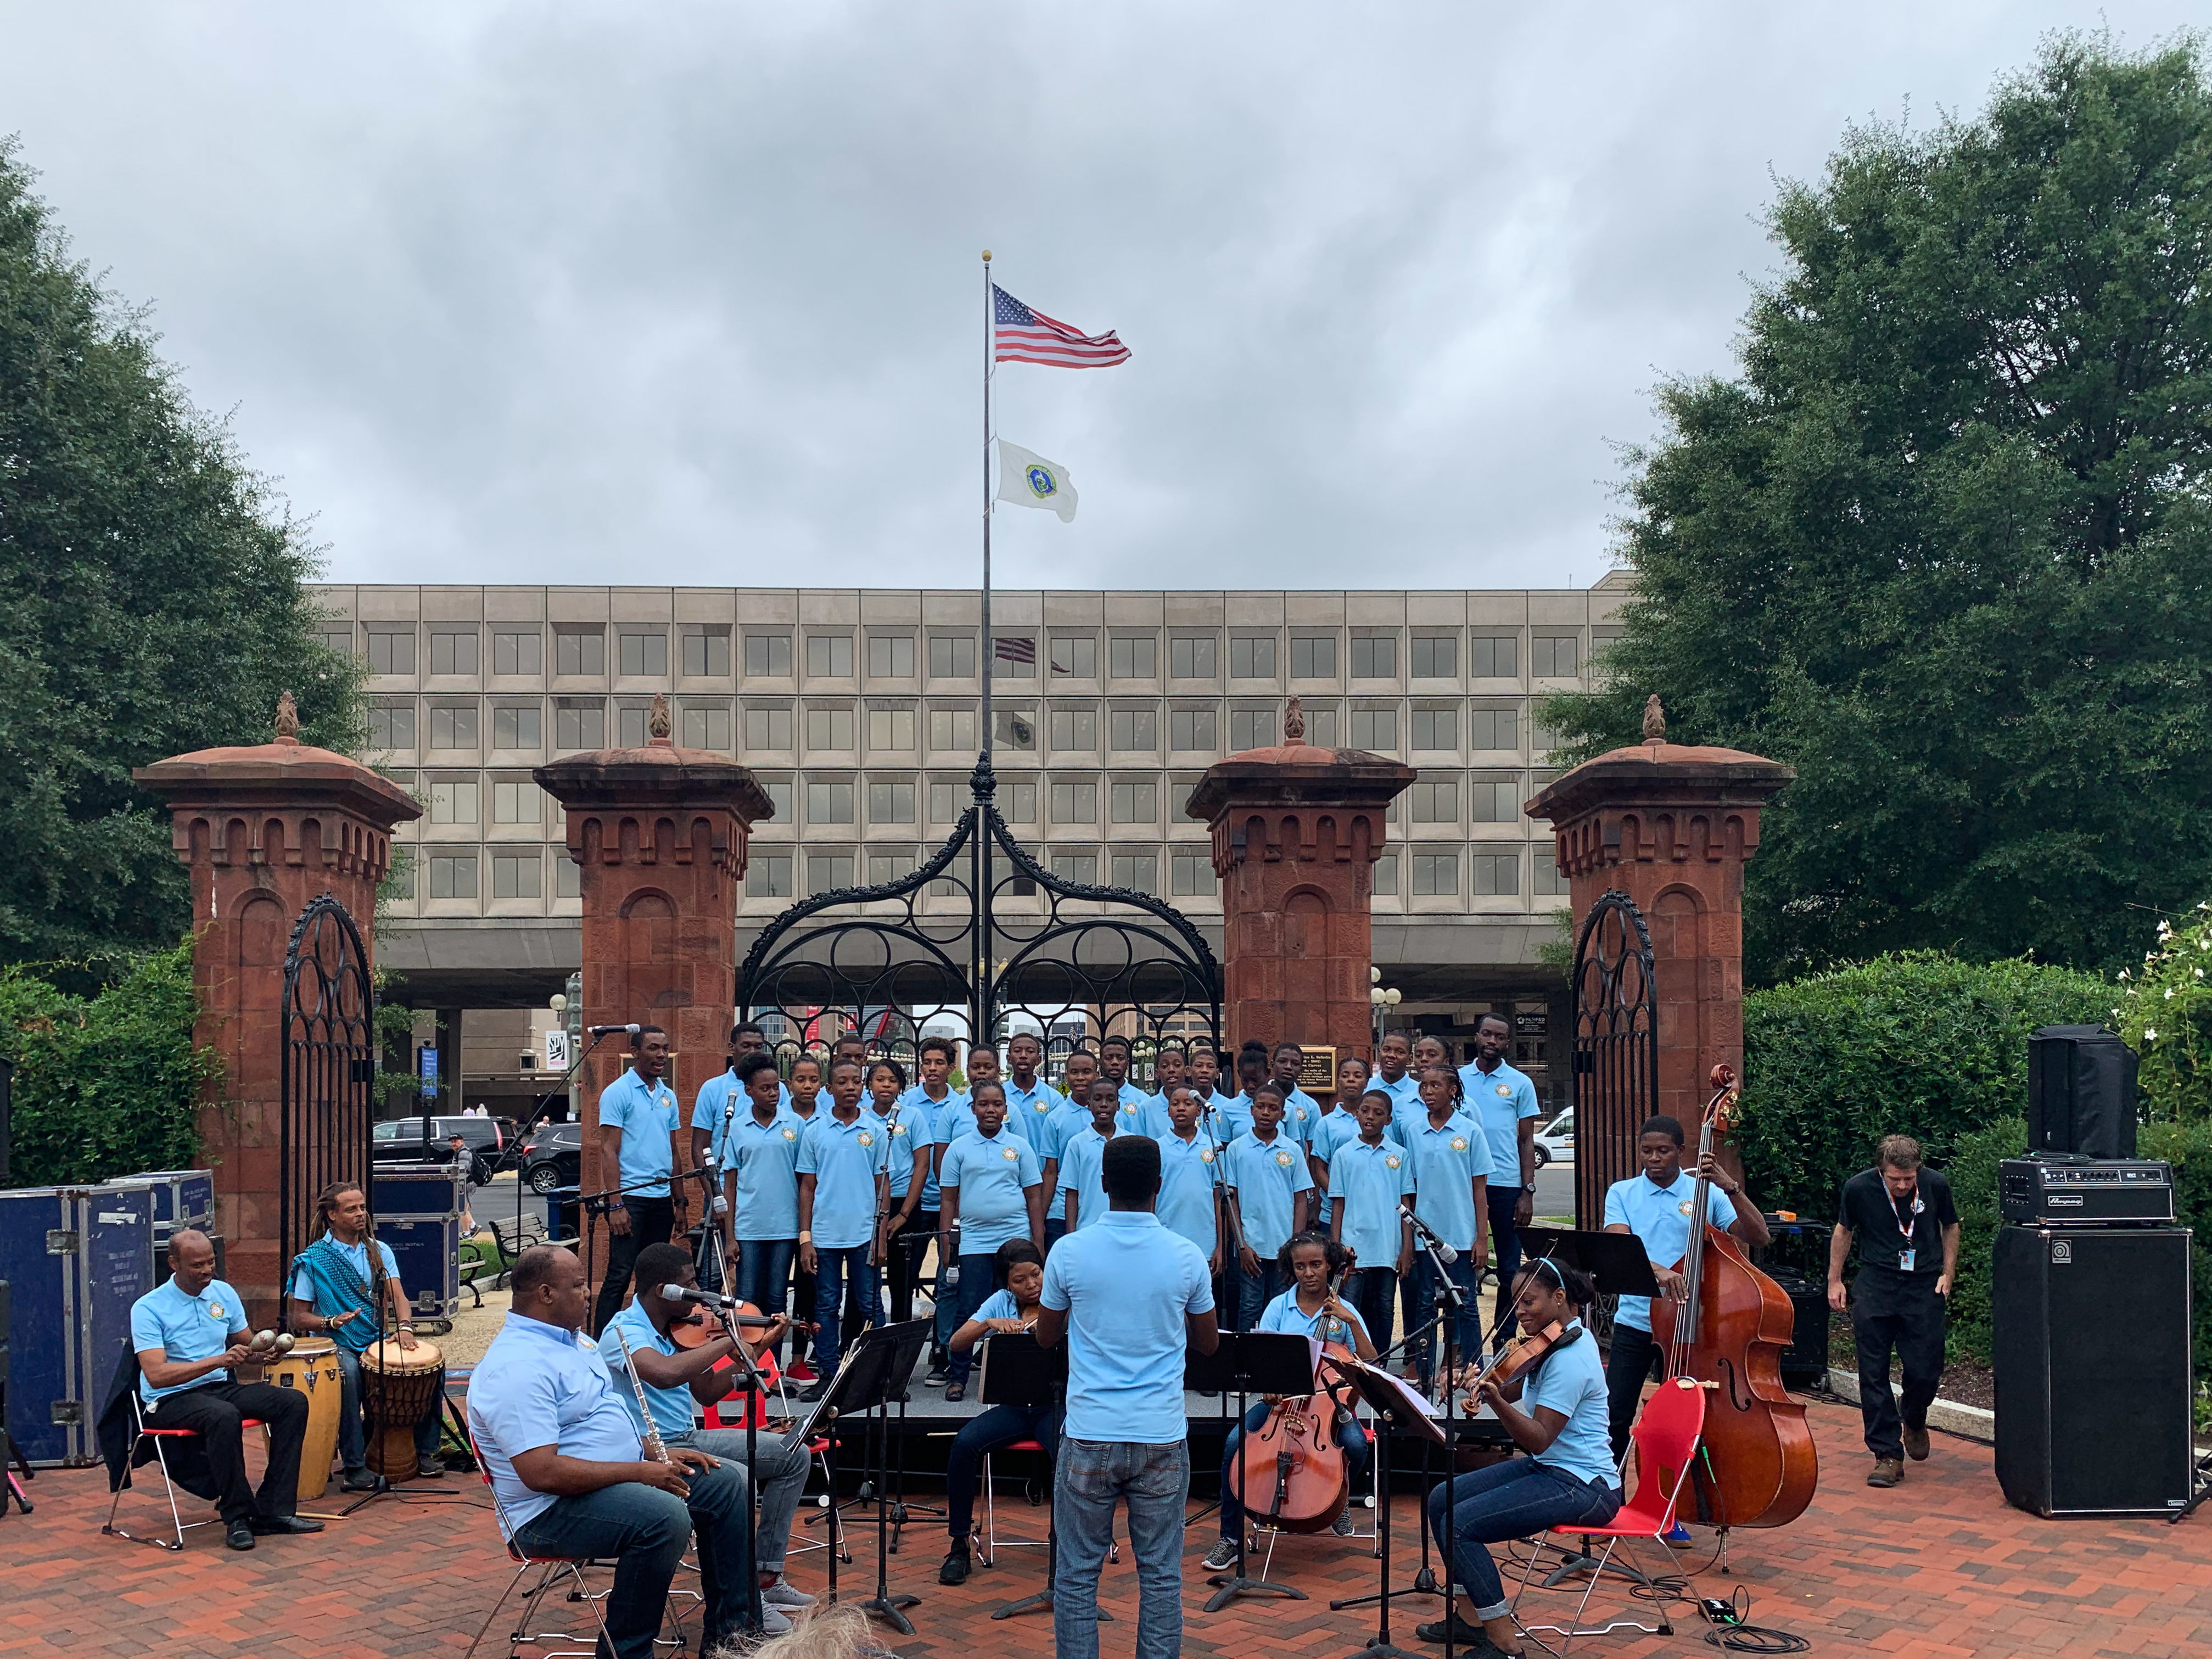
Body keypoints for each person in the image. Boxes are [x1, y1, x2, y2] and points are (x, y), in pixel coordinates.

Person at [468, 1246, 756, 1658]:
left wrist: (656, 1453)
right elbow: (542, 1473)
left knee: (726, 1483)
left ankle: (732, 1639)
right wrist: (637, 1472)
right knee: (662, 1517)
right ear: (546, 1294)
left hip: (605, 1481)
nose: (589, 1294)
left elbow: (602, 1428)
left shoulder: (575, 1343)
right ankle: (627, 1651)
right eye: (579, 1285)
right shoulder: (517, 1367)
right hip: (546, 1511)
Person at [1037, 1136, 1220, 1659]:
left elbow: (1046, 1337)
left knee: (1075, 1575)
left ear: (1102, 1184)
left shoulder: (1068, 1251)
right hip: (1160, 1434)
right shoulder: (1185, 1256)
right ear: (1159, 1187)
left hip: (1091, 1432)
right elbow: (1207, 1344)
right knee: (1160, 1576)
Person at [597, 1243, 815, 1634]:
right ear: (665, 1290)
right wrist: (727, 1339)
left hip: (690, 1438)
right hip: (653, 1451)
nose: (698, 1292)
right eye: (690, 1285)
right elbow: (663, 1374)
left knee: (792, 1455)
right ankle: (748, 1602)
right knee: (735, 1482)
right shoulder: (623, 1332)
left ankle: (765, 1575)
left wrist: (761, 1344)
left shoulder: (678, 1333)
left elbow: (708, 1391)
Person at [1418, 1260, 1621, 1653]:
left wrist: (1495, 1401)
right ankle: (1470, 1621)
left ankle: (1505, 1646)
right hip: (1552, 1469)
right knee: (1441, 1499)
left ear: (1560, 1297)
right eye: (1515, 1303)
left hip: (1585, 1484)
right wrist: (1474, 1381)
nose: (1520, 1312)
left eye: (1528, 1302)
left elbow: (1540, 1438)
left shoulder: (1570, 1357)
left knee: (1461, 1525)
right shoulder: (1551, 1342)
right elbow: (1513, 1389)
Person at [130, 1229, 320, 1551]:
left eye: (211, 1262)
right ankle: (238, 1516)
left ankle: (274, 1509)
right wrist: (219, 1359)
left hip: (217, 1387)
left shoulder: (222, 1293)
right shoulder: (148, 1308)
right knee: (223, 1416)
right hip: (169, 1399)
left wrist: (266, 1352)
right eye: (197, 1265)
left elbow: (245, 1342)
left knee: (292, 1402)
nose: (207, 1271)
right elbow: (157, 1374)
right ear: (174, 1263)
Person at [1202, 1232, 1377, 1570]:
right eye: (1300, 1267)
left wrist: (1350, 1321)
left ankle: (1337, 1500)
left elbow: (1371, 1365)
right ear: (1291, 1269)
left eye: (1316, 1265)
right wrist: (1268, 1385)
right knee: (1234, 1444)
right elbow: (1262, 1358)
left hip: (1330, 1407)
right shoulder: (1279, 1307)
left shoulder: (1346, 1310)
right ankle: (1231, 1537)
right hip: (1279, 1406)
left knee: (1356, 1445)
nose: (1309, 1273)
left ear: (1330, 1266)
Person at [1601, 1115, 1771, 1461]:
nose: (1654, 1158)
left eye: (1663, 1151)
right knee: (1615, 1413)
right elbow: (1619, 1247)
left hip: (1691, 1325)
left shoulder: (1705, 1192)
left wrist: (1731, 1188)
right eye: (1647, 1151)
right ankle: (1607, 1487)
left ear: (1681, 1151)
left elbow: (1759, 1236)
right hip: (1636, 1320)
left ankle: (1684, 1489)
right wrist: (1660, 1271)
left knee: (1687, 1416)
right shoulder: (1622, 1192)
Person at [289, 1180, 444, 1489]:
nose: (361, 1214)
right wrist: (332, 1322)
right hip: (338, 1342)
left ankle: (425, 1451)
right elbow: (298, 1316)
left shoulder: (379, 1251)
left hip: (375, 1337)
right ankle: (355, 1465)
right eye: (352, 1209)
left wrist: (405, 1328)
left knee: (431, 1368)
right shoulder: (313, 1260)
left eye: (362, 1207)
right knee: (348, 1374)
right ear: (332, 1215)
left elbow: (398, 1296)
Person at [1828, 1134, 1959, 1487]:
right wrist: (1835, 1280)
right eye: (1895, 1178)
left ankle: (1914, 1416)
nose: (1902, 1185)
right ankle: (1886, 1453)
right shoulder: (1858, 1189)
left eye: (1909, 1178)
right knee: (1873, 1371)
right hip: (1876, 1282)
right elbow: (1844, 1230)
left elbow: (1950, 1226)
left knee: (1926, 1368)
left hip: (1924, 1284)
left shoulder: (1936, 1185)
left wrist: (1948, 1273)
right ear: (1880, 1170)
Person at [938, 1239, 1056, 1585]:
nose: (1031, 1284)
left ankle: (1070, 1543)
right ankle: (959, 1545)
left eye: (1036, 1274)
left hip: (1055, 1406)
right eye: (1020, 1280)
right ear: (1007, 1284)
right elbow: (956, 1343)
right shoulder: (1002, 1302)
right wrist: (989, 1323)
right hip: (1016, 1408)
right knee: (964, 1444)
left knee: (1070, 1453)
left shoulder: (1060, 1298)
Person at [937, 1080, 1046, 1399]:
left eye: (997, 1104)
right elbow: (948, 1201)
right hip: (973, 1240)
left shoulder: (1020, 1147)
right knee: (970, 1307)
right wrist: (948, 1245)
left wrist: (1038, 1243)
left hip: (1015, 1238)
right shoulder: (959, 1148)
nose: (991, 1110)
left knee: (1021, 1303)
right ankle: (958, 1376)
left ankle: (1016, 1372)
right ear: (973, 1109)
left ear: (1006, 1110)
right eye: (984, 1104)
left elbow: (1034, 1198)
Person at [795, 1058, 891, 1390]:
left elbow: (883, 1185)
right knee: (826, 1304)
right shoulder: (815, 1131)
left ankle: (876, 1375)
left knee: (870, 1304)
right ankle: (828, 1375)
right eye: (842, 1083)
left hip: (865, 1233)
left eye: (856, 1082)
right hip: (825, 1235)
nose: (850, 1088)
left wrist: (881, 1234)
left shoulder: (875, 1131)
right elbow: (807, 1187)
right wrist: (805, 1238)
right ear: (829, 1089)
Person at [595, 1025, 685, 1334]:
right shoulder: (617, 1093)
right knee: (620, 1274)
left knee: (656, 1279)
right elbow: (608, 1150)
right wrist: (615, 1202)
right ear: (635, 1052)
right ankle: (600, 1344)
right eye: (653, 1048)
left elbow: (673, 1150)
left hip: (661, 1200)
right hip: (631, 1198)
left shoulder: (667, 1095)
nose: (661, 1055)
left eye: (665, 1048)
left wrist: (680, 1202)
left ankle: (650, 1340)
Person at [1405, 1064, 1492, 1383]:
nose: (1428, 1092)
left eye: (1435, 1086)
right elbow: (1409, 1188)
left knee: (1466, 1304)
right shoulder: (1414, 1132)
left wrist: (1481, 1239)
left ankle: (1473, 1372)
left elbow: (1480, 1190)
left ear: (1452, 1089)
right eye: (1424, 1087)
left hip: (1462, 1236)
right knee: (1426, 1303)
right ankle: (1425, 1372)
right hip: (1425, 1236)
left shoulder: (1470, 1132)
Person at [1459, 1015, 1541, 1341]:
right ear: (1477, 1036)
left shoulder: (1520, 1083)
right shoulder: (1459, 1080)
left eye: (1500, 1037)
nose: (1492, 1041)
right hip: (1464, 1184)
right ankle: (1463, 1341)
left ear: (1508, 1043)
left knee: (1509, 1267)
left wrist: (1528, 1190)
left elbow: (1526, 1141)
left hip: (1506, 1184)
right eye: (1487, 1034)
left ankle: (1505, 1337)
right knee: (1463, 1262)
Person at [712, 1052, 804, 1339]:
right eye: (765, 1088)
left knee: (777, 1300)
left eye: (776, 1087)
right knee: (748, 1301)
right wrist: (730, 1236)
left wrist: (804, 1231)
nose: (773, 1093)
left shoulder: (795, 1124)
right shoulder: (736, 1128)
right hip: (749, 1228)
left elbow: (805, 1181)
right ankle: (748, 1368)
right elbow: (730, 1185)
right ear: (749, 1091)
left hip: (785, 1228)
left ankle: (772, 1371)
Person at [1328, 1090, 1415, 1358]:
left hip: (1387, 1246)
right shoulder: (1344, 1154)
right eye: (1365, 1111)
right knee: (1350, 1306)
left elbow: (1406, 1204)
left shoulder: (1399, 1155)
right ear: (1356, 1114)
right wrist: (1336, 1247)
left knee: (1384, 1307)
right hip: (1353, 1247)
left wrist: (1407, 1248)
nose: (1370, 1117)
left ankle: (1379, 1361)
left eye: (1378, 1113)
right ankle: (1351, 1361)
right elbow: (1338, 1204)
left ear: (1388, 1121)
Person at [1224, 1083, 1315, 1329]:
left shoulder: (1292, 1150)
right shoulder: (1236, 1149)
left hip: (1284, 1246)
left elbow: (1300, 1198)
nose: (1266, 1113)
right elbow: (1232, 1199)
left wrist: (1295, 1244)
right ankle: (1245, 1364)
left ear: (1282, 1115)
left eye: (1273, 1108)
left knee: (1281, 1305)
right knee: (1250, 1305)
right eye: (1261, 1107)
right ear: (1251, 1110)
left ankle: (1276, 1362)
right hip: (1251, 1246)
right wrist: (1241, 1244)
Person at [907, 1035, 967, 1378]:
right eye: (927, 1062)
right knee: (907, 1278)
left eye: (939, 1063)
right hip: (916, 1204)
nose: (932, 1068)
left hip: (953, 1206)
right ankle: (901, 1354)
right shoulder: (906, 1104)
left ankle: (944, 1347)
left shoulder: (961, 1106)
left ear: (950, 1067)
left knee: (950, 1277)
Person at [865, 1058, 934, 1326]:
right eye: (880, 1079)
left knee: (902, 1279)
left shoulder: (912, 1116)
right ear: (869, 1084)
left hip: (905, 1206)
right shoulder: (863, 1117)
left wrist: (904, 1213)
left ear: (901, 1086)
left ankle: (901, 1336)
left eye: (892, 1080)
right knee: (868, 1276)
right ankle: (868, 1335)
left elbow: (922, 1164)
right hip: (870, 1207)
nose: (886, 1085)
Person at [690, 1021, 793, 1178]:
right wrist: (713, 1192)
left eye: (758, 1047)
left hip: (764, 1185)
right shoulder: (712, 1088)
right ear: (732, 1048)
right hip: (723, 1184)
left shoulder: (778, 1089)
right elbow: (700, 1147)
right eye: (746, 1046)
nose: (753, 1051)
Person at [1155, 1086, 1225, 1283]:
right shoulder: (1157, 1147)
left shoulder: (1213, 1145)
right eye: (1175, 1104)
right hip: (1166, 1239)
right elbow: (1152, 1197)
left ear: (1200, 1111)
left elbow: (1218, 1198)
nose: (1181, 1108)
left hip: (1205, 1242)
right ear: (1168, 1111)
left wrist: (1220, 1246)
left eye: (1188, 1103)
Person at [783, 1055, 826, 1376]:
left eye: (813, 1080)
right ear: (790, 1084)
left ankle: (800, 1358)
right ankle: (763, 1360)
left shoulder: (826, 1121)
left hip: (814, 1219)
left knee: (807, 1290)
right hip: (780, 1217)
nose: (807, 1086)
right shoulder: (780, 1118)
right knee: (771, 1293)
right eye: (801, 1080)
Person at [1037, 1049, 1101, 1247]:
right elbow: (1050, 1171)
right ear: (1067, 1076)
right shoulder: (1056, 1118)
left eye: (1087, 1072)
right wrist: (1041, 1217)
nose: (1080, 1078)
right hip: (1060, 1210)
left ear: (1097, 1075)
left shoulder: (1110, 1116)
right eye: (1074, 1072)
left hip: (1099, 1208)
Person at [1308, 1053, 1369, 1231]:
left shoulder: (1376, 1120)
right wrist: (1340, 1196)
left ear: (1366, 1082)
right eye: (1345, 1076)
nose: (1351, 1080)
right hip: (1332, 1210)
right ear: (1338, 1081)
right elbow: (1319, 1169)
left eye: (1358, 1076)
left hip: (1368, 1208)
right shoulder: (1326, 1123)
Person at [1056, 1078, 1124, 1233]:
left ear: (1118, 1106)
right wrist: (1071, 1234)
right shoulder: (1077, 1144)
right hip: (1087, 1228)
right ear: (1089, 1104)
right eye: (1098, 1099)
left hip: (1123, 1228)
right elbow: (1072, 1192)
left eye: (1111, 1099)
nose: (1104, 1104)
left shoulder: (1129, 1142)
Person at [1100, 1035, 1166, 1135]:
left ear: (1128, 1063)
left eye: (1120, 1058)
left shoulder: (1143, 1100)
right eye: (1109, 1058)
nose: (1115, 1062)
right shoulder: (1091, 1099)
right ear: (1100, 1062)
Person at [1269, 1040, 1323, 1150]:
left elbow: (1315, 1149)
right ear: (1272, 1065)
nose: (1288, 1067)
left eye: (1295, 1064)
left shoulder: (1311, 1106)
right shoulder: (1257, 1100)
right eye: (1282, 1061)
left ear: (1301, 1070)